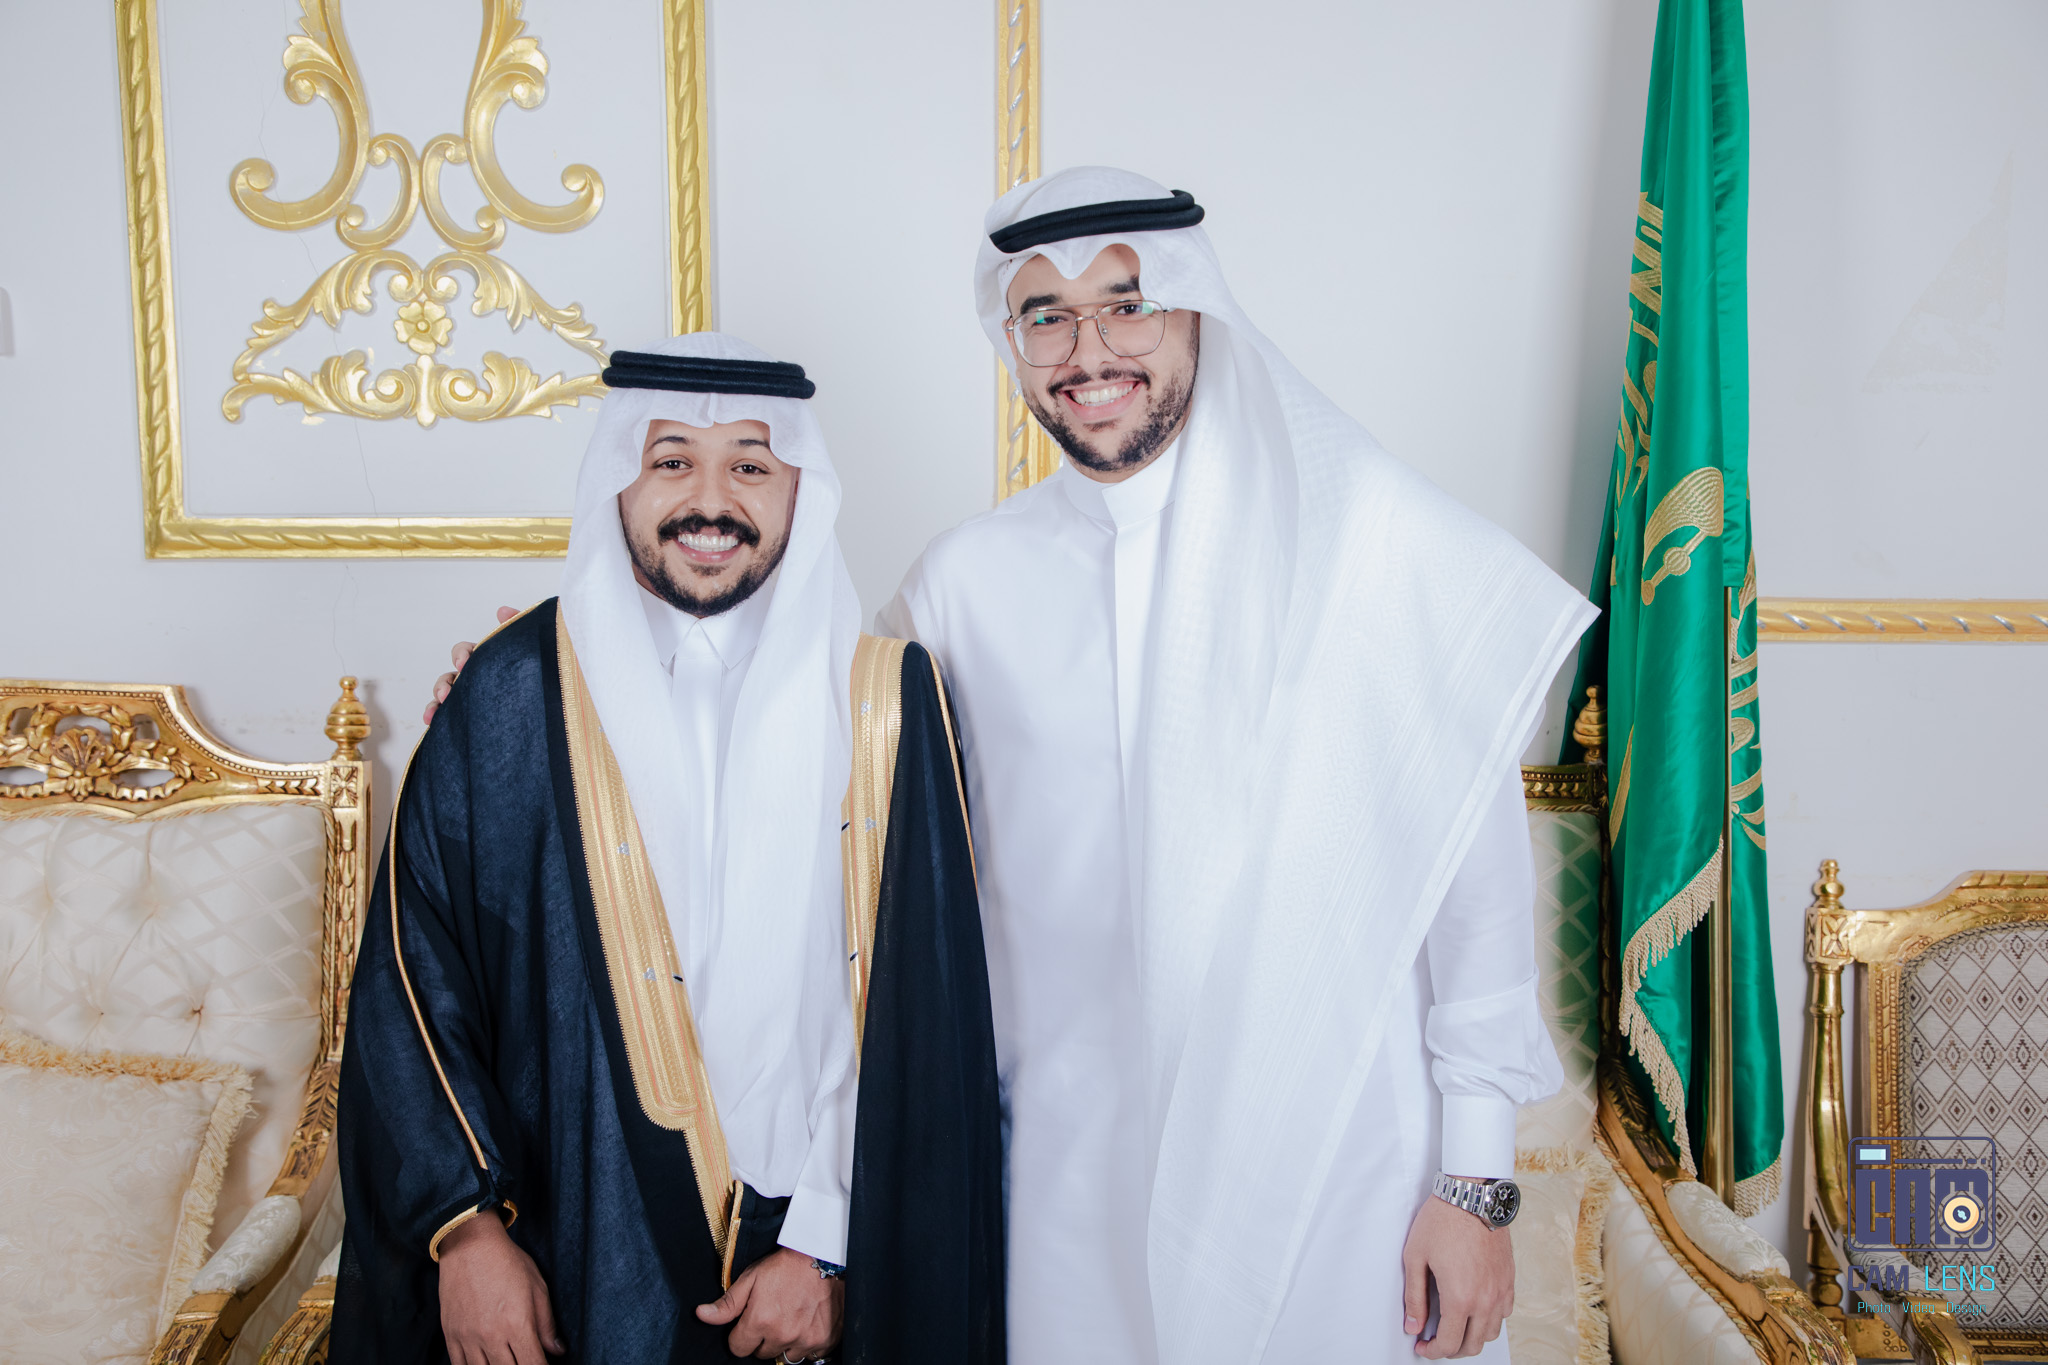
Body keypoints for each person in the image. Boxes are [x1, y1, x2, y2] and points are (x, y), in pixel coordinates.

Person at [875, 168, 1598, 1363]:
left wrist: (1472, 1187)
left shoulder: (1366, 541)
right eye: (1046, 317)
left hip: (1342, 1181)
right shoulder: (960, 585)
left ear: (1197, 311)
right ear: (1012, 344)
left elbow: (1470, 895)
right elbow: (864, 827)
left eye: (1127, 306)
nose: (1087, 353)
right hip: (1066, 1189)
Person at [339, 334, 1004, 1365]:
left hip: (810, 1270)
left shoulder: (884, 699)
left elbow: (919, 1003)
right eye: (671, 461)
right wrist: (466, 1234)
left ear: (800, 489)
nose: (710, 501)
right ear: (619, 478)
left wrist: (827, 1248)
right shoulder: (511, 693)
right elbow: (413, 983)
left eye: (750, 465)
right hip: (567, 1243)